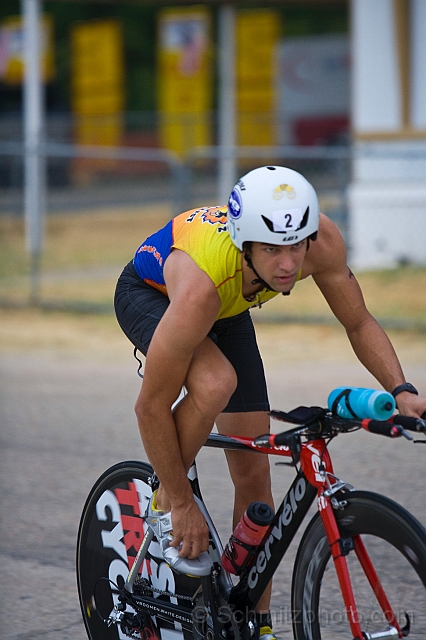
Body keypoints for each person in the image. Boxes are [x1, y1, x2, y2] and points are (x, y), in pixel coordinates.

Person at [114, 165, 426, 639]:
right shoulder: (200, 285)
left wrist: (402, 390)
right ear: (245, 245)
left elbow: (359, 321)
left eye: (295, 246)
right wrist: (180, 502)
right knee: (216, 380)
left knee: (254, 471)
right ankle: (166, 499)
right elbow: (150, 406)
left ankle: (256, 625)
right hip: (157, 295)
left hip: (231, 302)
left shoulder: (320, 241)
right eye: (272, 249)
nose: (287, 264)